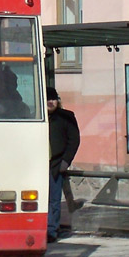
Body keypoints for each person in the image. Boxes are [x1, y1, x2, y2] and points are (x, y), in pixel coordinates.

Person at [46, 87, 80, 242]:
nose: (50, 102)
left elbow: (74, 140)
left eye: (53, 99)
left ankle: (51, 231)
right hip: (39, 164)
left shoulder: (66, 117)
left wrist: (65, 161)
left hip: (57, 164)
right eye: (47, 99)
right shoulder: (39, 119)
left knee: (54, 199)